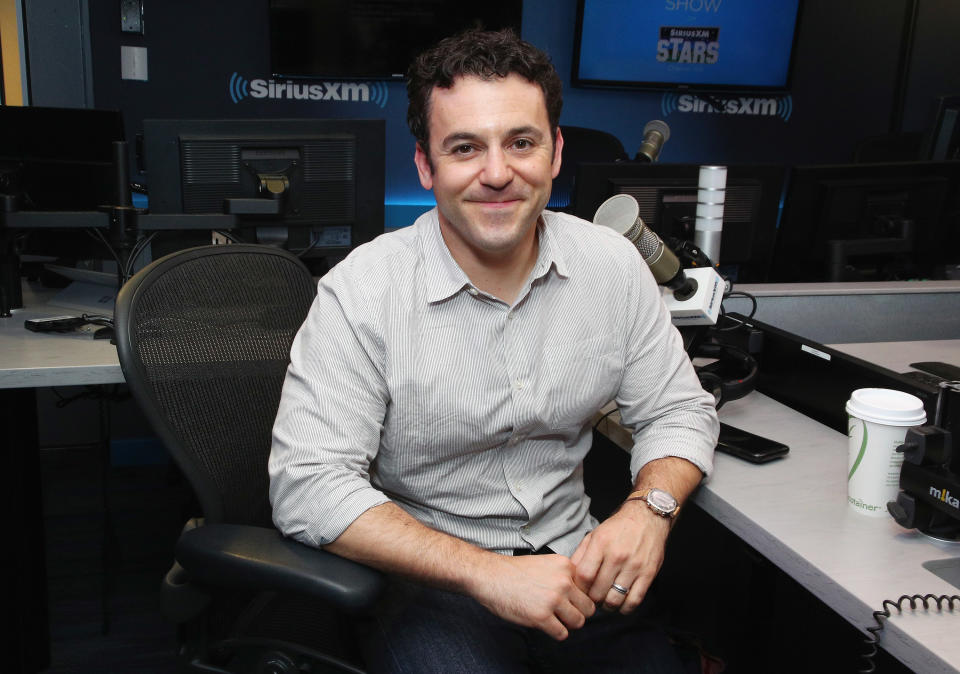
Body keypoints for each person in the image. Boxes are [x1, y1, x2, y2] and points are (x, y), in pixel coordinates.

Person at [269, 28, 719, 673]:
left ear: (555, 152)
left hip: (575, 570)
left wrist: (649, 510)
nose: (498, 173)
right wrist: (485, 574)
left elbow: (679, 410)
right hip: (431, 581)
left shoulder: (612, 265)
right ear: (425, 166)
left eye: (521, 142)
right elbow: (308, 488)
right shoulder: (362, 291)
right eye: (464, 148)